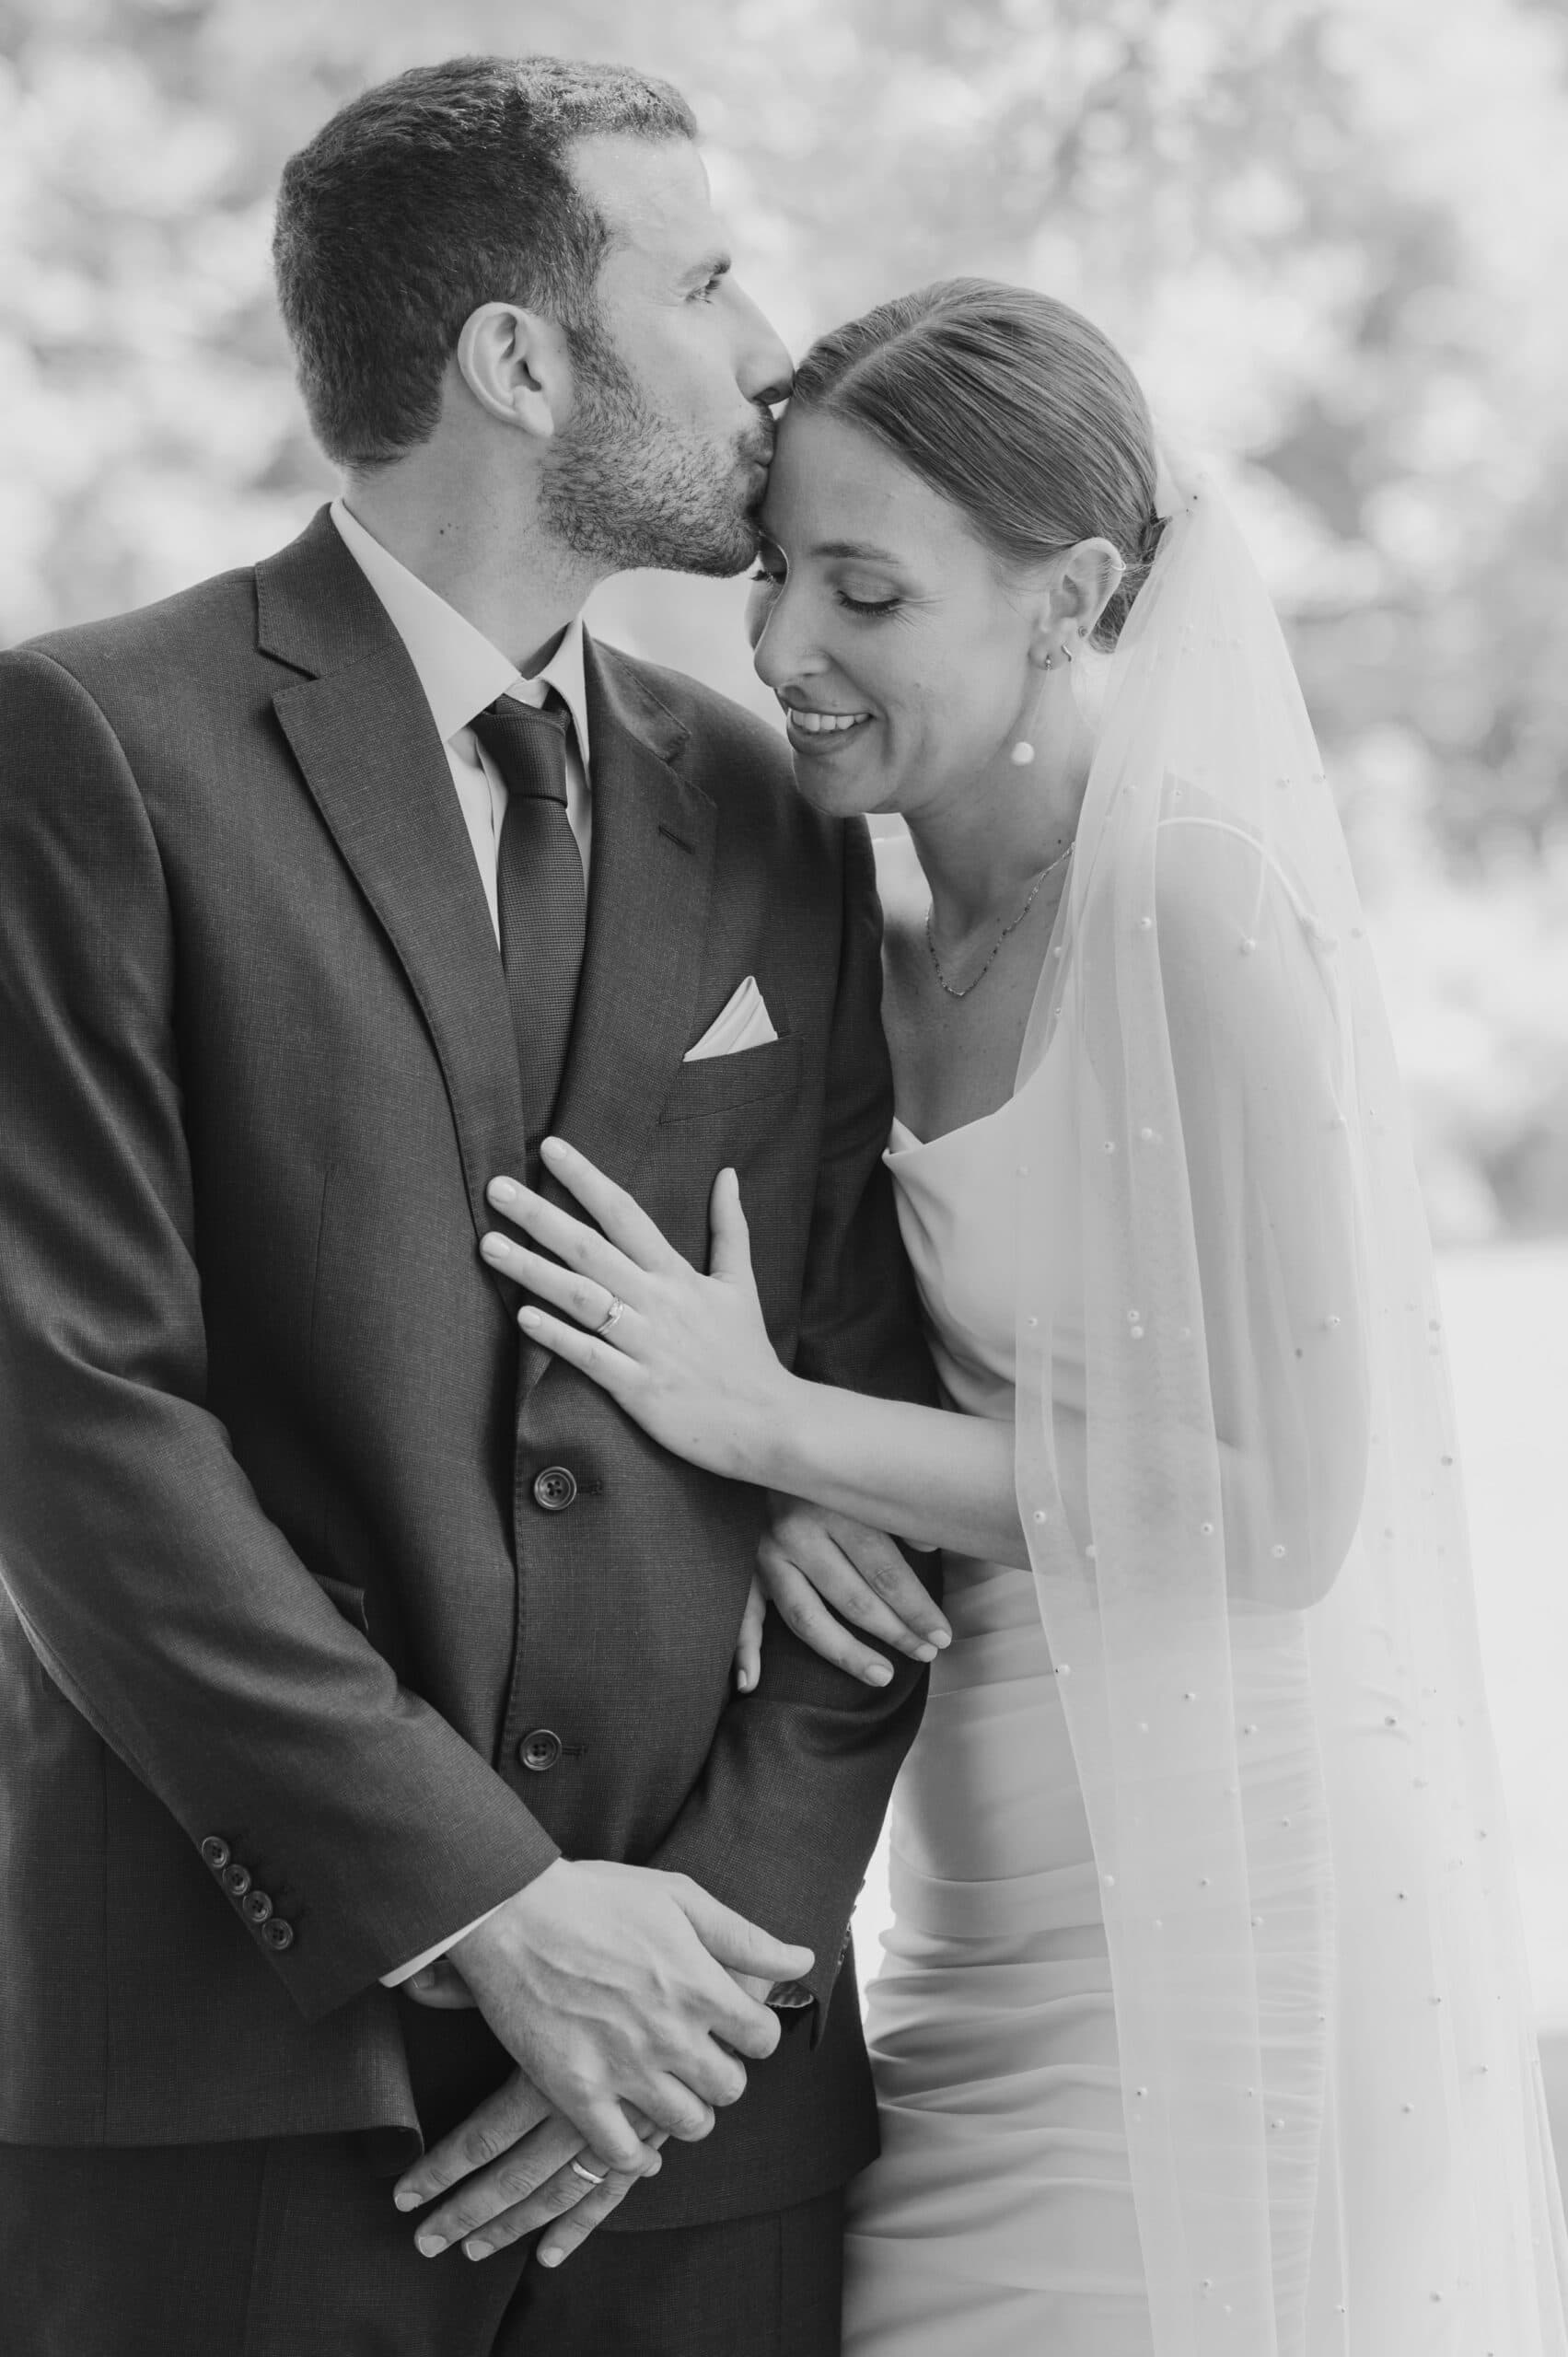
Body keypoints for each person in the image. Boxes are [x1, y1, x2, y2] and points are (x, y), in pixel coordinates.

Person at [468, 280, 1568, 2351]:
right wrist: (771, 1484)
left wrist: (770, 1428)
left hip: (1236, 1923)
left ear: (1068, 597)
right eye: (781, 568)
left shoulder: (1203, 917)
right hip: (967, 1904)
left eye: (868, 592)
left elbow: (1279, 1507)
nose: (784, 646)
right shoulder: (856, 922)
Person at [0, 57, 938, 2357]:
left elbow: (872, 1393)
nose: (767, 346)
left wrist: (713, 1958)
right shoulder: (89, 747)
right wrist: (486, 1906)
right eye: (703, 280)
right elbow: (74, 1412)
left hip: (715, 2107)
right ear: (519, 359)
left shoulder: (767, 796)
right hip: (234, 2090)